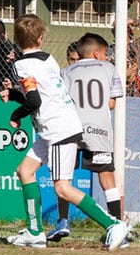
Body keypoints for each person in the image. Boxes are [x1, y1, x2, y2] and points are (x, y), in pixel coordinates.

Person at [0, 14, 128, 250]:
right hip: (55, 128)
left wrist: (15, 116)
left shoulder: (21, 65)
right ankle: (35, 232)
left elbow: (34, 101)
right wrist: (15, 94)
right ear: (40, 39)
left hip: (58, 129)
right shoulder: (48, 59)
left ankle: (113, 224)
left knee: (62, 188)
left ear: (17, 40)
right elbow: (41, 94)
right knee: (25, 171)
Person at [50, 33, 126, 243]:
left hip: (70, 129)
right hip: (99, 131)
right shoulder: (109, 69)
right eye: (104, 53)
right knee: (106, 177)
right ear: (96, 53)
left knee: (64, 177)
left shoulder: (66, 72)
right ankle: (118, 226)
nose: (106, 57)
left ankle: (63, 221)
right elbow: (111, 104)